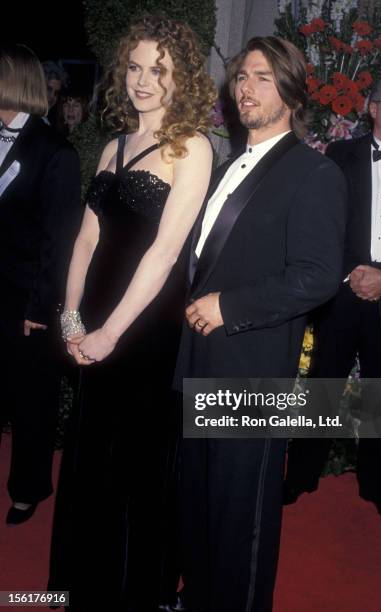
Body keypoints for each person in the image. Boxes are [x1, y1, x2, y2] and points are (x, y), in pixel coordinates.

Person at [48, 14, 216, 612]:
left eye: (159, 70)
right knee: (92, 458)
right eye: (137, 67)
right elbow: (85, 242)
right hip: (94, 322)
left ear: (181, 79)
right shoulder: (114, 146)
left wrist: (110, 334)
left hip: (144, 328)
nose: (144, 81)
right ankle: (82, 589)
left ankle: (130, 593)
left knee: (136, 465)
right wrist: (71, 320)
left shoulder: (190, 145)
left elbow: (166, 252)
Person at [173, 36, 347, 612]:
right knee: (199, 504)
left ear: (293, 93)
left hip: (254, 372)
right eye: (242, 76)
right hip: (201, 362)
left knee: (241, 518)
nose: (245, 87)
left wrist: (230, 307)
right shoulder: (226, 167)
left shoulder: (313, 173)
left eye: (263, 78)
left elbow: (318, 277)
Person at [284, 72, 381, 523]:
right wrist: (355, 273)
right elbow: (326, 222)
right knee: (322, 388)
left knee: (380, 395)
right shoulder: (340, 154)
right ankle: (301, 475)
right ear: (372, 108)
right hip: (344, 292)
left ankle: (375, 484)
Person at [0, 44, 81, 525]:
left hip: (27, 298)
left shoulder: (55, 151)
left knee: (30, 398)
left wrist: (39, 304)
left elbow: (61, 237)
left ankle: (28, 488)